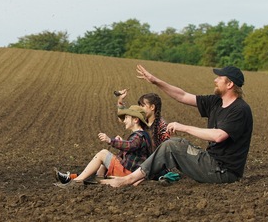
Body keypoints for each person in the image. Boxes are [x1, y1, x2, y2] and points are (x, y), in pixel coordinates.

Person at [102, 65, 253, 187]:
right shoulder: (216, 102)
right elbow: (182, 95)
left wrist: (184, 127)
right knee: (175, 143)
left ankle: (128, 179)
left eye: (219, 78)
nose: (215, 80)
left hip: (223, 172)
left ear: (230, 84)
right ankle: (139, 176)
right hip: (211, 161)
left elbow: (219, 136)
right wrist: (156, 81)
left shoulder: (240, 110)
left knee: (172, 146)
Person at [54, 106, 152, 186]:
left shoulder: (139, 135)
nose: (124, 121)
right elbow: (132, 147)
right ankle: (76, 178)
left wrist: (110, 140)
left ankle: (75, 182)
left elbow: (130, 145)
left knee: (103, 154)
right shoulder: (141, 135)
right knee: (102, 164)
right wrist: (122, 143)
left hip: (129, 173)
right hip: (131, 172)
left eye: (126, 118)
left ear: (135, 120)